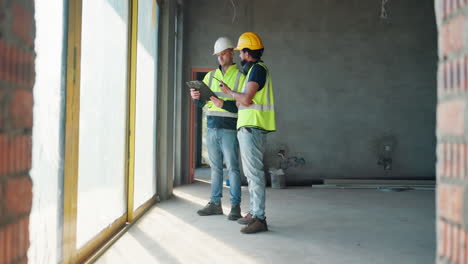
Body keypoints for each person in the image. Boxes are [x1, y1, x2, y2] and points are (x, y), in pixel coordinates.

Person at [220, 32, 276, 234]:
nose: (239, 57)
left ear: (246, 52)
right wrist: (238, 97)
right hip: (252, 128)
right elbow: (242, 100)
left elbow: (245, 100)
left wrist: (230, 93)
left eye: (241, 52)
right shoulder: (254, 71)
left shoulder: (257, 70)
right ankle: (254, 212)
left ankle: (260, 218)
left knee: (254, 175)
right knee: (252, 175)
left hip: (252, 128)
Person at [190, 37, 245, 220]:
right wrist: (196, 97)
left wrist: (223, 103)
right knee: (215, 168)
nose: (220, 58)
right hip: (212, 126)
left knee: (233, 168)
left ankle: (235, 206)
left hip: (230, 128)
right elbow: (201, 105)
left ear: (232, 52)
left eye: (223, 54)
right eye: (218, 55)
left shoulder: (241, 76)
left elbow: (244, 104)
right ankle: (215, 204)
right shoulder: (210, 76)